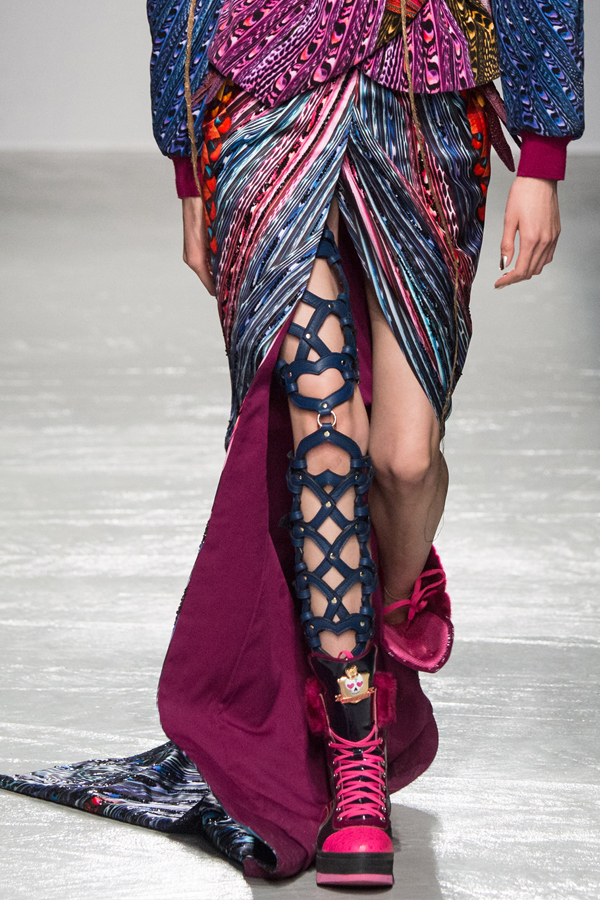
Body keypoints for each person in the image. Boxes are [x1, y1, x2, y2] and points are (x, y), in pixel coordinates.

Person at [0, 0, 584, 888]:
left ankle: (385, 610)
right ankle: (356, 758)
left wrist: (543, 155)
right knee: (321, 422)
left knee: (404, 461)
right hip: (262, 90)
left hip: (424, 91)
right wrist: (187, 171)